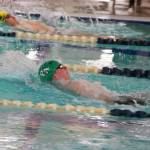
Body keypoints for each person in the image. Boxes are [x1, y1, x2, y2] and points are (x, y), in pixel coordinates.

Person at [38, 60, 146, 105]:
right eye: (61, 66)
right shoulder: (75, 85)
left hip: (117, 98)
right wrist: (120, 101)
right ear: (56, 74)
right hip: (118, 100)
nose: (65, 67)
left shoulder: (63, 89)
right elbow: (105, 98)